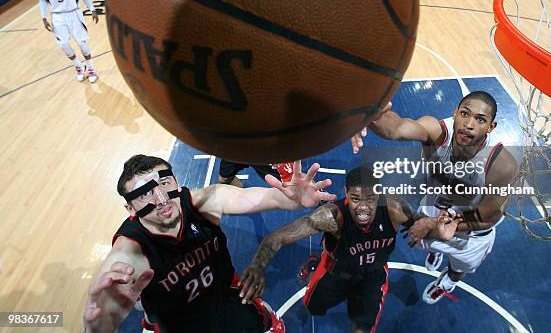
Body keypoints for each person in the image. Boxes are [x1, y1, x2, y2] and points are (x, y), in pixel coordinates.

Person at [81, 155, 336, 333]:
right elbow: (104, 317)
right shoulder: (130, 251)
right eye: (144, 193)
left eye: (164, 183)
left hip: (228, 301)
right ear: (130, 208)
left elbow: (266, 198)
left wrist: (295, 199)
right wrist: (96, 327)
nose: (160, 199)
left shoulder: (203, 203)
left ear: (176, 182)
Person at [240, 168, 460, 332]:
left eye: (370, 200)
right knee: (313, 307)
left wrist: (438, 230)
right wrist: (257, 265)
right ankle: (316, 262)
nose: (363, 208)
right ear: (346, 193)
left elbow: (420, 224)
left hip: (371, 277)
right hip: (335, 272)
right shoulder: (331, 217)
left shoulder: (394, 209)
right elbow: (277, 237)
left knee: (362, 329)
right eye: (355, 199)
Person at [351, 91, 518, 304]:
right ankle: (435, 251)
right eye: (465, 114)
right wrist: (369, 114)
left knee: (458, 269)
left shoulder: (502, 165)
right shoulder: (438, 131)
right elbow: (397, 128)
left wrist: (433, 225)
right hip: (434, 209)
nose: (469, 124)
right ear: (455, 112)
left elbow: (487, 217)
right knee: (426, 241)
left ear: (491, 127)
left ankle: (448, 281)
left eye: (480, 119)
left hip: (471, 234)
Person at [36, 0, 99, 83]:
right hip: (57, 15)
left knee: (82, 43)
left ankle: (91, 68)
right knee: (63, 44)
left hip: (74, 12)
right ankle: (78, 66)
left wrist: (92, 8)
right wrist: (44, 17)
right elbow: (42, 0)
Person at [217, 159, 285, 188]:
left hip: (265, 154)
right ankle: (242, 195)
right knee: (223, 179)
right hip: (237, 148)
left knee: (285, 185)